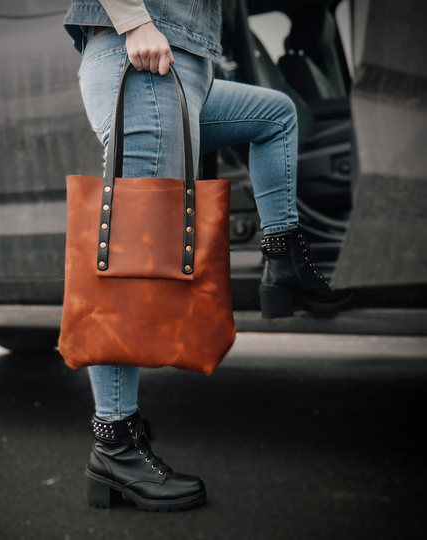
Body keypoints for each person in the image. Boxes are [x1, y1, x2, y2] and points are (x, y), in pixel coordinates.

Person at [62, 0, 353, 512]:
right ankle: (114, 445)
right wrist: (135, 21)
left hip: (185, 71)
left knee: (275, 115)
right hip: (144, 61)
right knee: (129, 266)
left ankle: (284, 260)